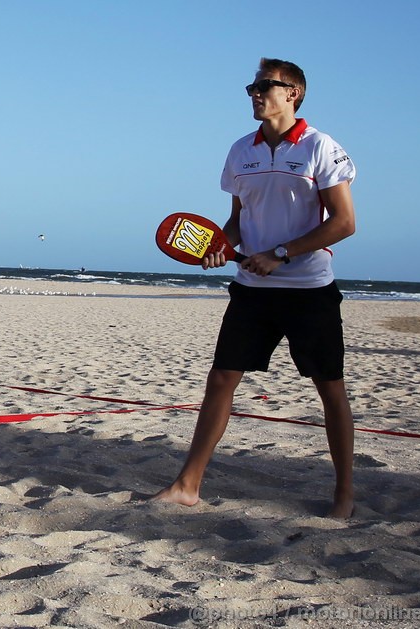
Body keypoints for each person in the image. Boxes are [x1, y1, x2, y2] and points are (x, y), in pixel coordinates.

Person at [151, 59, 357, 518]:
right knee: (221, 380)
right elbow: (237, 222)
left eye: (267, 86)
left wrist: (281, 253)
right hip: (252, 289)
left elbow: (344, 223)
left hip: (309, 290)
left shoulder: (321, 147)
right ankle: (188, 484)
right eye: (252, 86)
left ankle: (344, 495)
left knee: (330, 389)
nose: (256, 93)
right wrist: (221, 248)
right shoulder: (240, 150)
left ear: (294, 93)